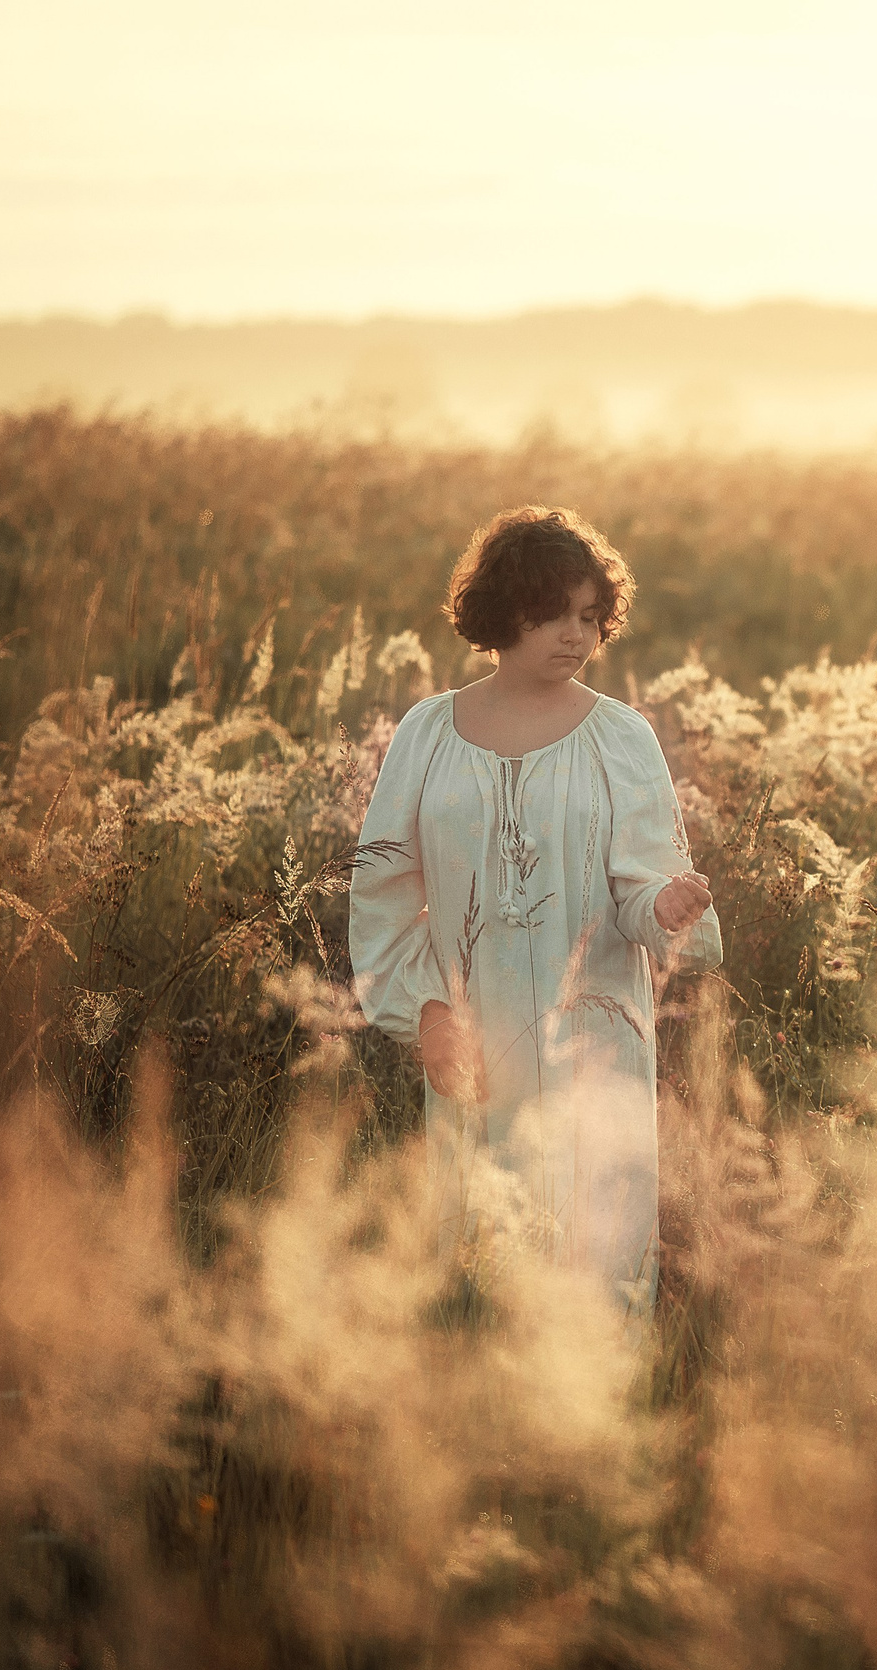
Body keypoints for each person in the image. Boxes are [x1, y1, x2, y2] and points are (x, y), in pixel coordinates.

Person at [348, 506, 720, 1308]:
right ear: (503, 610)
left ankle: (596, 1385)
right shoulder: (427, 734)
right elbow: (382, 895)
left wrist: (667, 904)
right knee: (479, 1253)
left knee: (594, 1259)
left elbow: (642, 887)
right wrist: (429, 1015)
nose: (576, 635)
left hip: (595, 1042)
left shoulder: (621, 738)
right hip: (475, 1043)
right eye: (554, 613)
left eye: (589, 615)